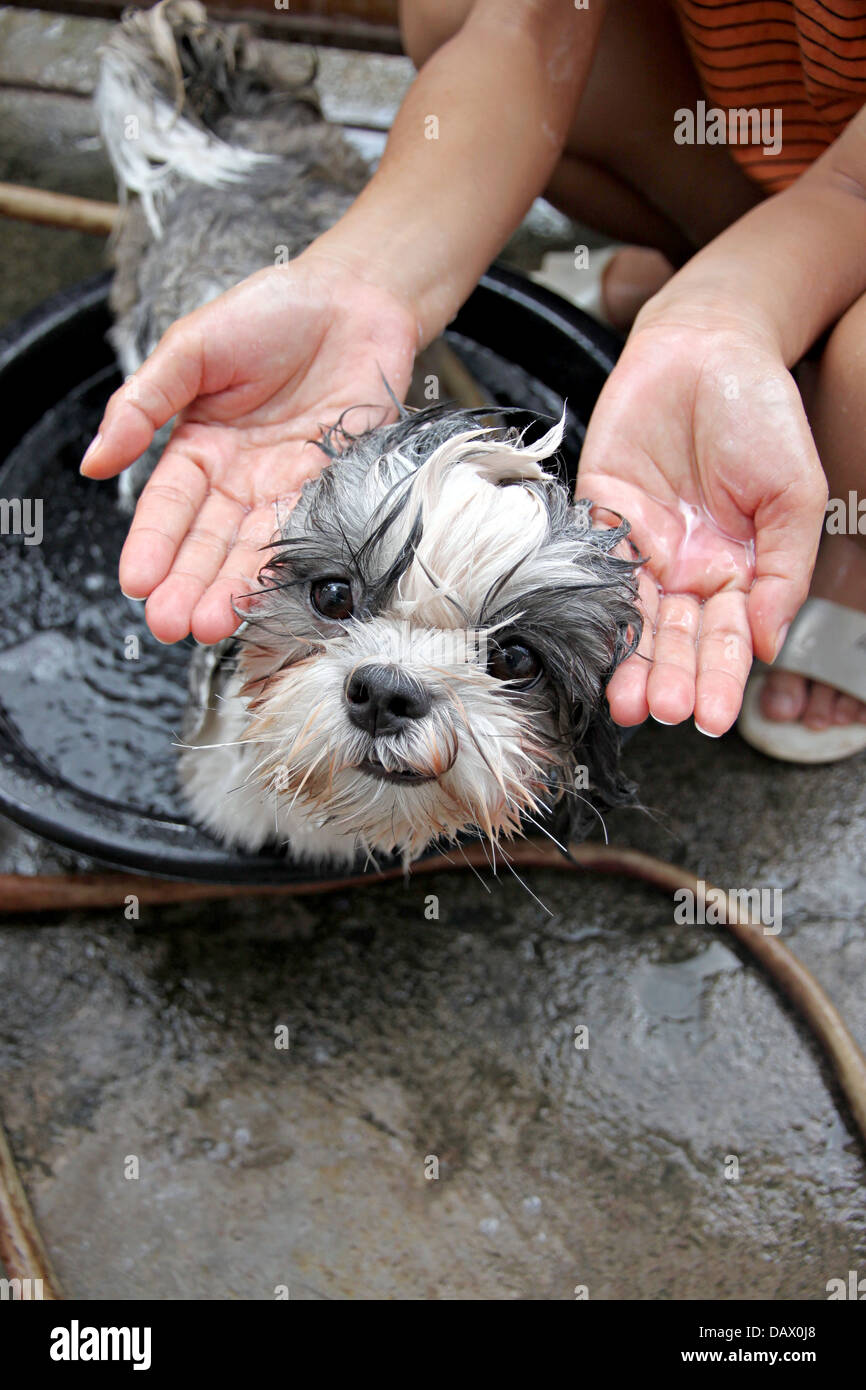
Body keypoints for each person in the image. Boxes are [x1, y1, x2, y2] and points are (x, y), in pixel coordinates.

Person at [81, 0, 866, 760]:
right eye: (334, 602)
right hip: (760, 121)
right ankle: (704, 259)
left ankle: (850, 541)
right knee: (449, 9)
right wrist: (366, 278)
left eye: (511, 660)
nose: (391, 686)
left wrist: (734, 321)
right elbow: (526, 30)